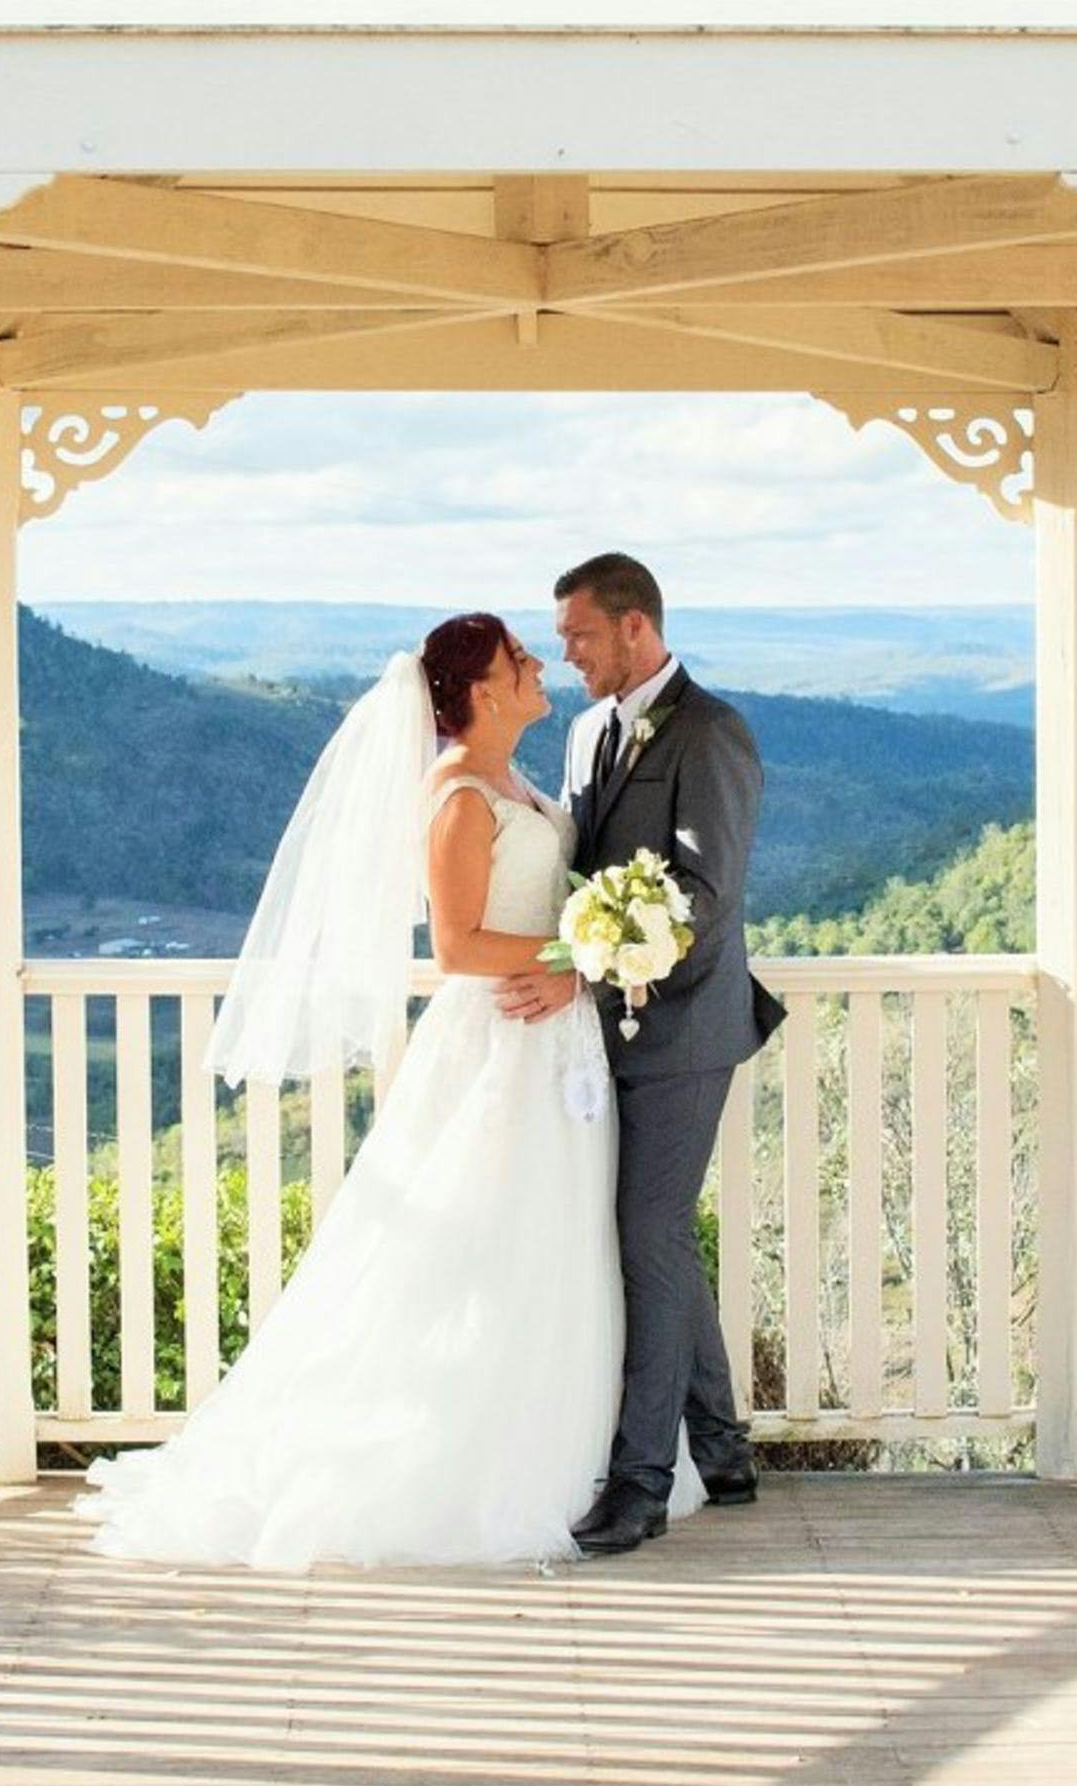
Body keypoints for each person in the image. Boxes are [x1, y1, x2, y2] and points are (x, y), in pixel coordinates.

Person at [75, 612, 696, 1570]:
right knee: (488, 1245)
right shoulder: (455, 796)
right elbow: (456, 949)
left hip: (554, 1038)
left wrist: (584, 958)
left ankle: (564, 1454)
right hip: (501, 1045)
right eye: (518, 660)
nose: (538, 666)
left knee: (555, 1238)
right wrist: (585, 949)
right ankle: (467, 1467)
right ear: (485, 692)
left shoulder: (509, 779)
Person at [503, 553, 785, 1556]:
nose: (565, 653)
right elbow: (585, 873)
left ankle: (641, 1482)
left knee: (646, 1232)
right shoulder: (588, 730)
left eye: (577, 635)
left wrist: (583, 969)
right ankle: (724, 1447)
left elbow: (703, 900)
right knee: (656, 1234)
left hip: (685, 1031)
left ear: (634, 627)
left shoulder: (713, 732)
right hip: (602, 1039)